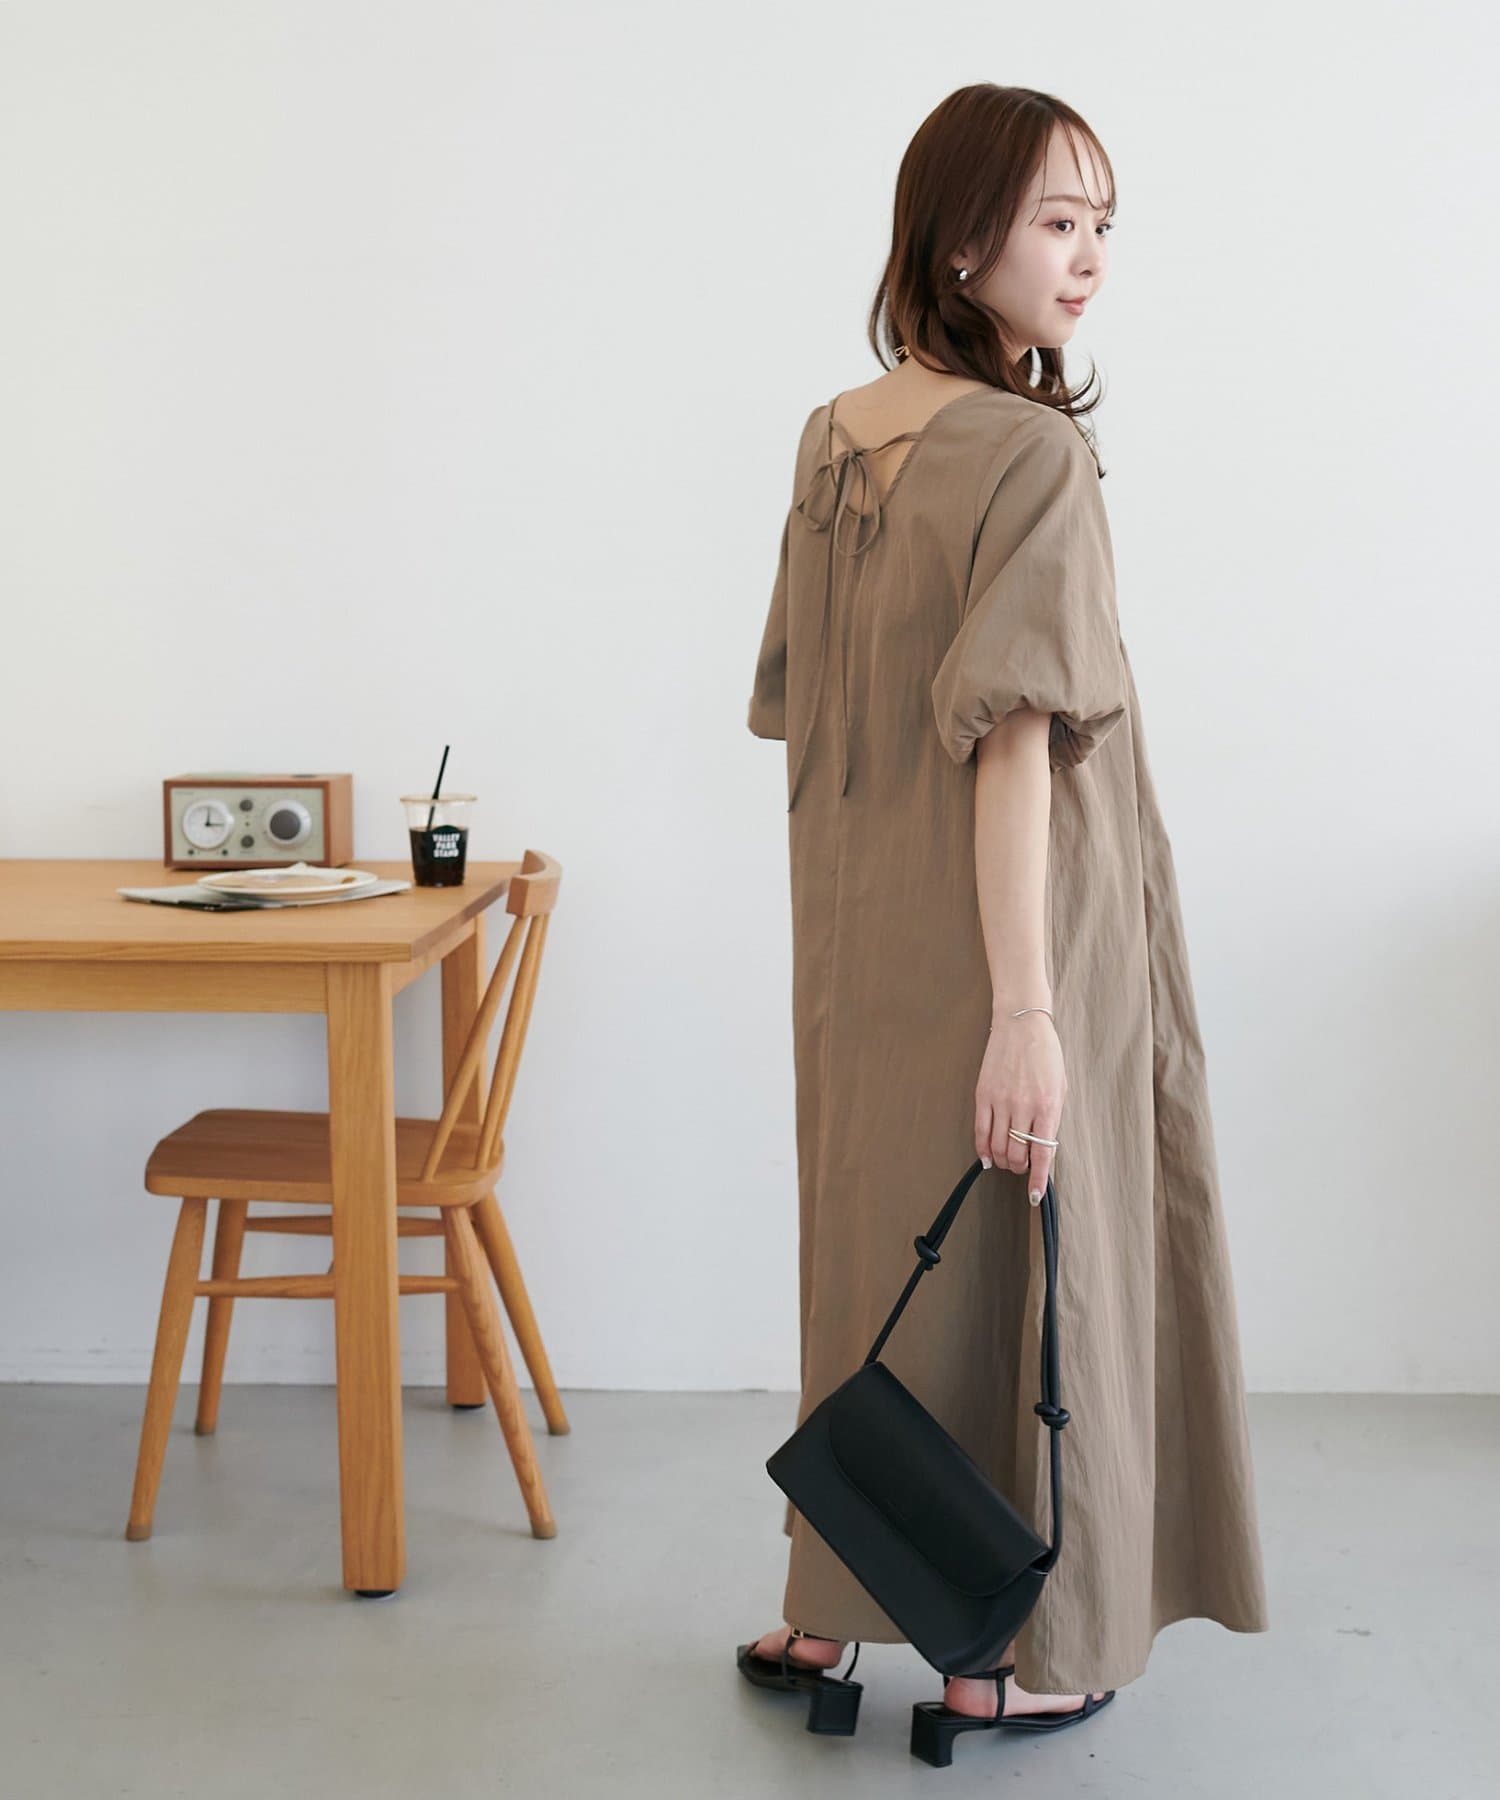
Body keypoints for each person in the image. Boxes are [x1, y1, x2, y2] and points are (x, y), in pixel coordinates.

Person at [737, 84, 1270, 1742]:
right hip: (1018, 926)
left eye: (1104, 224)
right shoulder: (1032, 453)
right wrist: (1028, 1007)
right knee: (1035, 1261)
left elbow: (804, 712)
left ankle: (826, 1613)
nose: (1090, 256)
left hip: (856, 941)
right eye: (1058, 220)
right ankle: (1000, 1654)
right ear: (961, 239)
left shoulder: (835, 438)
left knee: (873, 1254)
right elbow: (1017, 740)